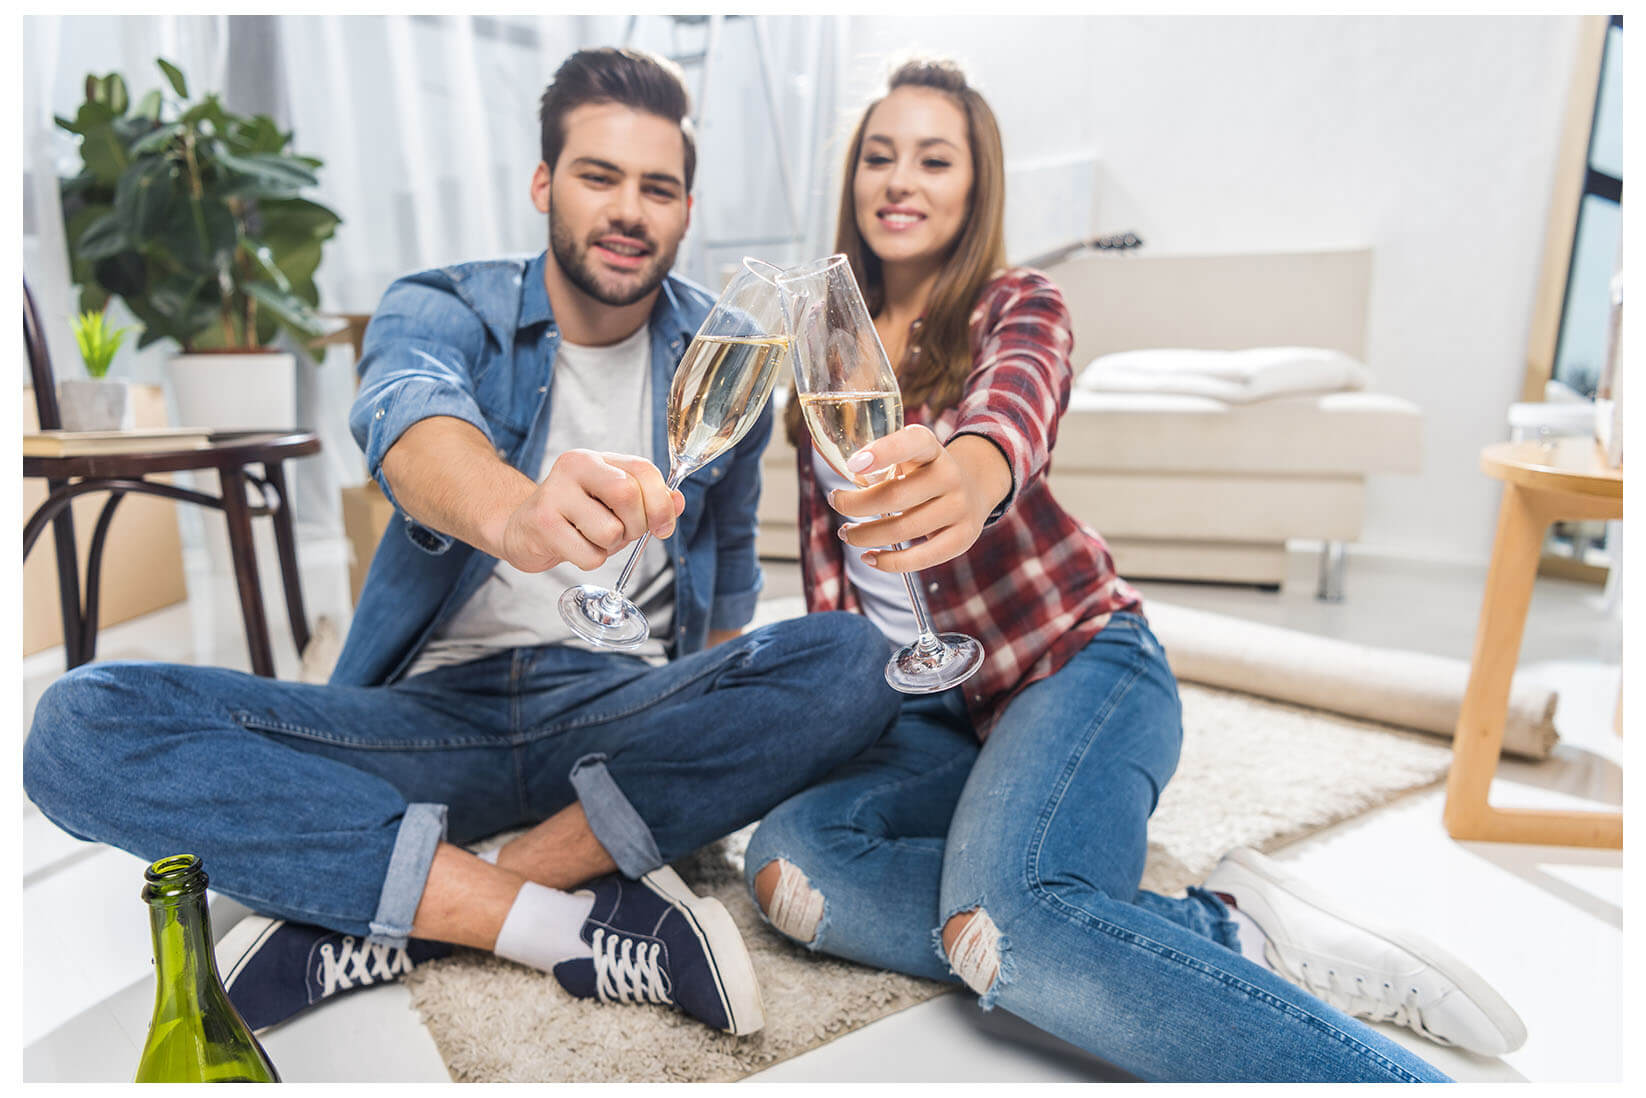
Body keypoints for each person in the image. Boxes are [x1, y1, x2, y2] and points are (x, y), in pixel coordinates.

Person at [23, 46, 901, 1039]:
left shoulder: (725, 343)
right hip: (425, 716)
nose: (628, 211)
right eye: (597, 176)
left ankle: (415, 903)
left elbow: (730, 566)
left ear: (686, 211)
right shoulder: (442, 302)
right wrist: (514, 514)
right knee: (80, 724)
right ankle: (544, 923)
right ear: (542, 183)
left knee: (851, 659)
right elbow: (409, 427)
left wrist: (702, 743)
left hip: (615, 714)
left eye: (658, 188)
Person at [743, 57, 1526, 1082]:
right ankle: (1224, 923)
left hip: (1076, 667)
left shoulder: (1012, 301)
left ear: (975, 186)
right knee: (791, 866)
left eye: (934, 159)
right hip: (926, 714)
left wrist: (973, 472)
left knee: (1011, 924)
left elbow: (1016, 402)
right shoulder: (825, 344)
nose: (901, 180)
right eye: (878, 157)